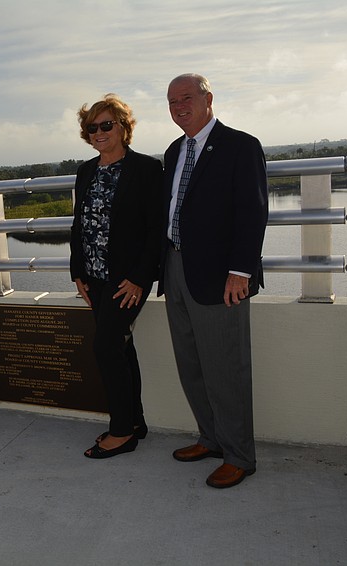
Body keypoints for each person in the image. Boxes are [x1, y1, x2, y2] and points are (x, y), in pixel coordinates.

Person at [159, 74, 268, 488]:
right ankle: (211, 438)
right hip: (175, 268)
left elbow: (253, 211)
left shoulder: (241, 145)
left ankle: (239, 455)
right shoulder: (173, 151)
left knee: (226, 368)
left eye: (186, 97)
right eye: (171, 101)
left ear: (208, 99)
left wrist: (240, 271)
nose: (178, 105)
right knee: (192, 365)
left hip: (223, 276)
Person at [70, 94, 164, 459]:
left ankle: (122, 431)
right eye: (92, 127)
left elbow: (156, 229)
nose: (98, 132)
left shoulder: (146, 169)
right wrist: (78, 271)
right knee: (121, 347)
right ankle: (136, 421)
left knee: (106, 347)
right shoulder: (86, 170)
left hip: (128, 280)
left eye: (106, 125)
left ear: (124, 127)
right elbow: (80, 225)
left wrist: (141, 277)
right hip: (95, 277)